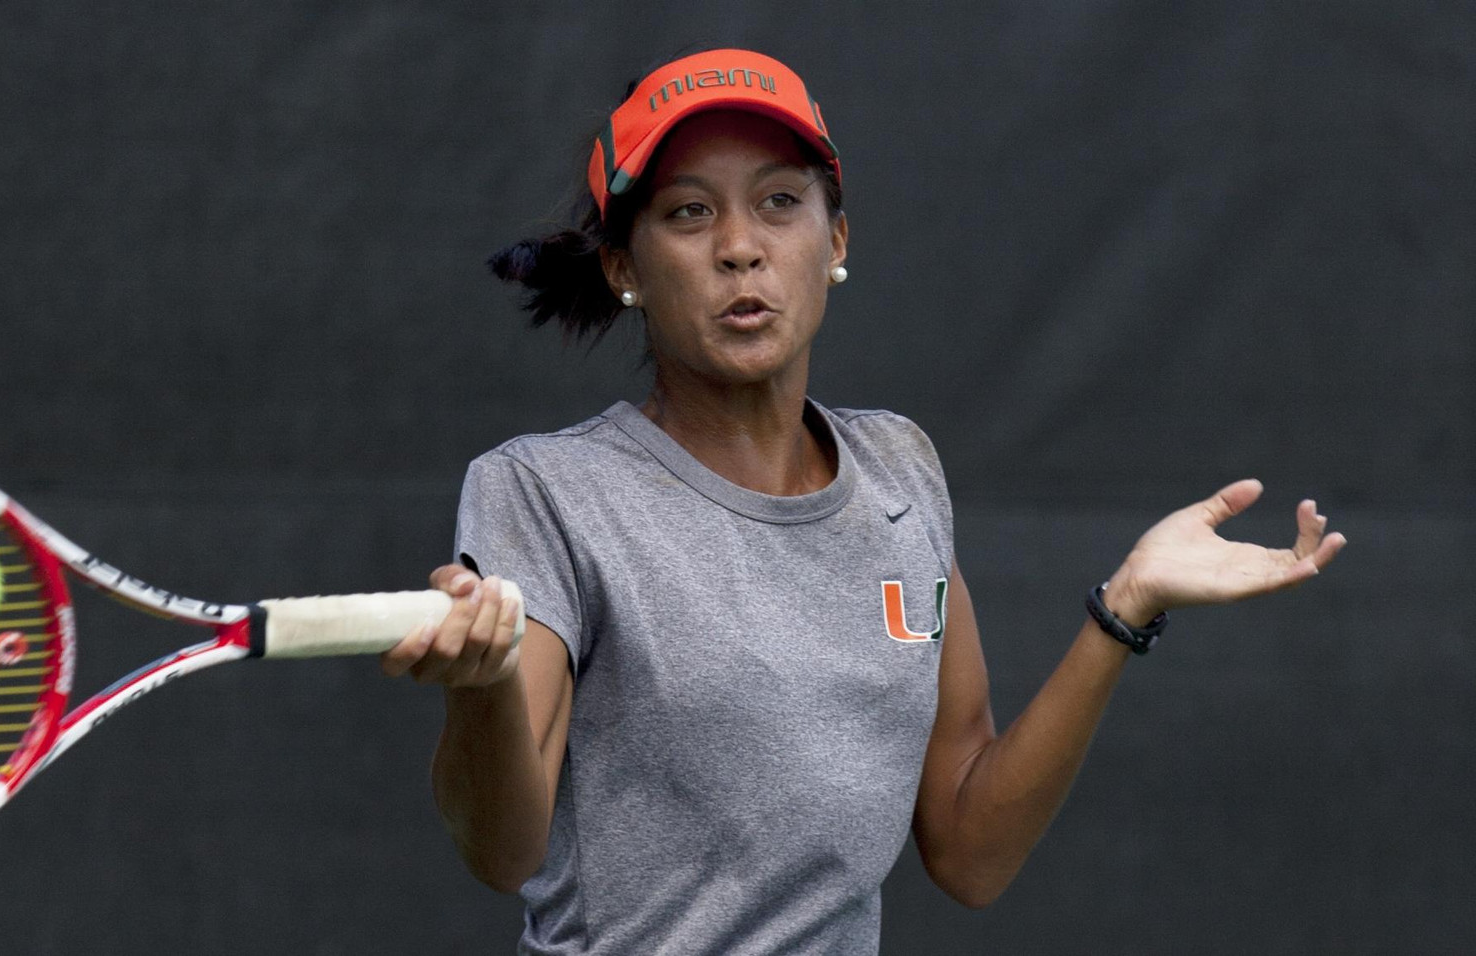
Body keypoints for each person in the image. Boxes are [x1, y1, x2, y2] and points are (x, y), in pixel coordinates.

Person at [378, 48, 1346, 955]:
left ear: (834, 240)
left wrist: (1126, 606)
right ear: (625, 268)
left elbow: (970, 847)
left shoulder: (900, 466)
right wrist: (482, 687)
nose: (740, 248)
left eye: (780, 203)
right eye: (686, 213)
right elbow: (501, 851)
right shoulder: (542, 490)